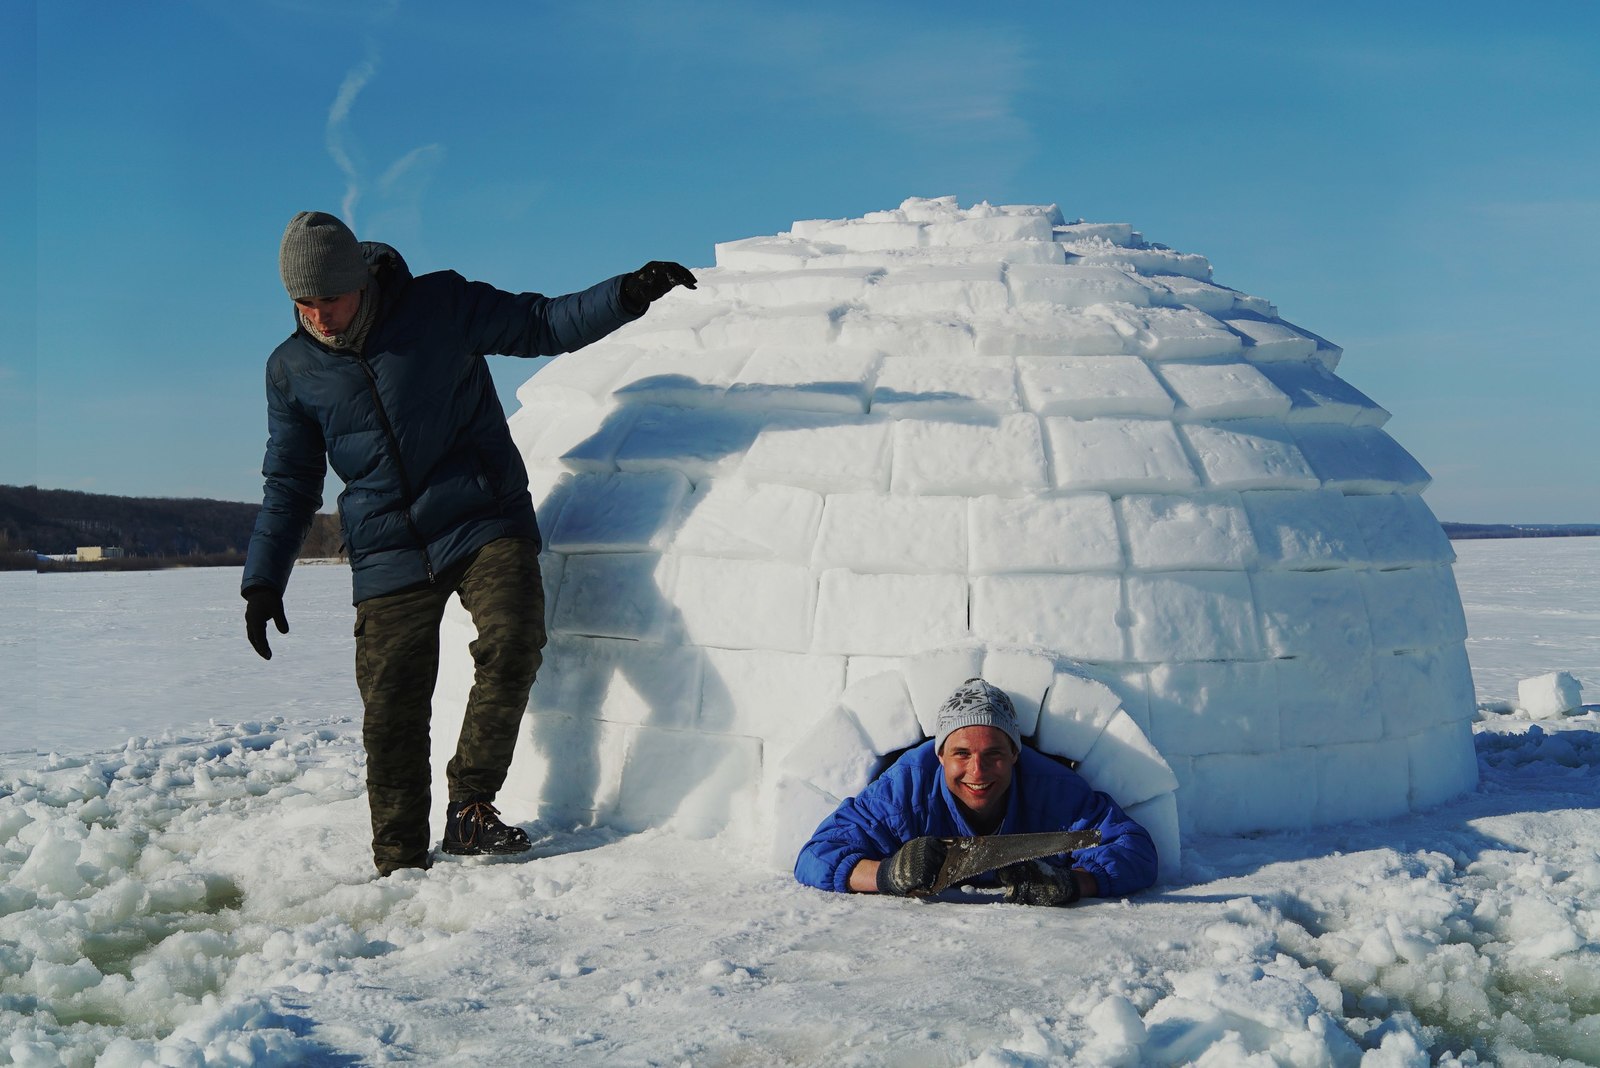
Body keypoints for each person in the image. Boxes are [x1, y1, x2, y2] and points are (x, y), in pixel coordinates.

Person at [241, 211, 695, 876]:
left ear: (359, 281)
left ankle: (470, 806)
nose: (320, 318)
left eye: (329, 300)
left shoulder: (440, 306)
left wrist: (626, 294)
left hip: (482, 514)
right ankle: (396, 865)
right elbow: (290, 483)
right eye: (303, 305)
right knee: (390, 710)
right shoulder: (292, 370)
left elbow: (540, 323)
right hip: (387, 547)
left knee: (513, 637)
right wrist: (262, 580)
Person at [795, 678, 1158, 904]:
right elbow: (816, 855)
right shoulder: (902, 789)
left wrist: (1072, 884)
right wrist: (886, 874)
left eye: (994, 754)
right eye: (961, 754)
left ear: (1016, 753)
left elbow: (1134, 850)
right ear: (939, 755)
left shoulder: (1055, 791)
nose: (977, 771)